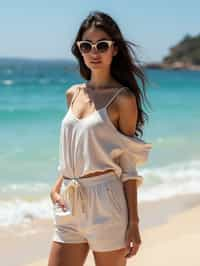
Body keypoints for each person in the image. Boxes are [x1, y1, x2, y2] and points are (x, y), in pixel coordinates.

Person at [48, 10, 152, 266]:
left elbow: (128, 166)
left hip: (107, 203)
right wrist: (56, 185)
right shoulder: (72, 94)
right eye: (87, 45)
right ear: (79, 50)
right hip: (69, 203)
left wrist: (134, 223)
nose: (94, 52)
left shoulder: (123, 99)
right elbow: (77, 148)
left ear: (114, 50)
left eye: (102, 45)